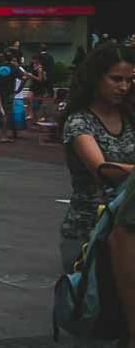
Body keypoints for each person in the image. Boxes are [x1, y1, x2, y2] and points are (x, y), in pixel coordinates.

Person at [59, 42, 134, 274]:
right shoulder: (80, 121)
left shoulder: (130, 117)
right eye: (116, 79)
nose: (123, 86)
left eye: (129, 80)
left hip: (127, 227)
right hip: (88, 231)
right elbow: (101, 169)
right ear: (96, 78)